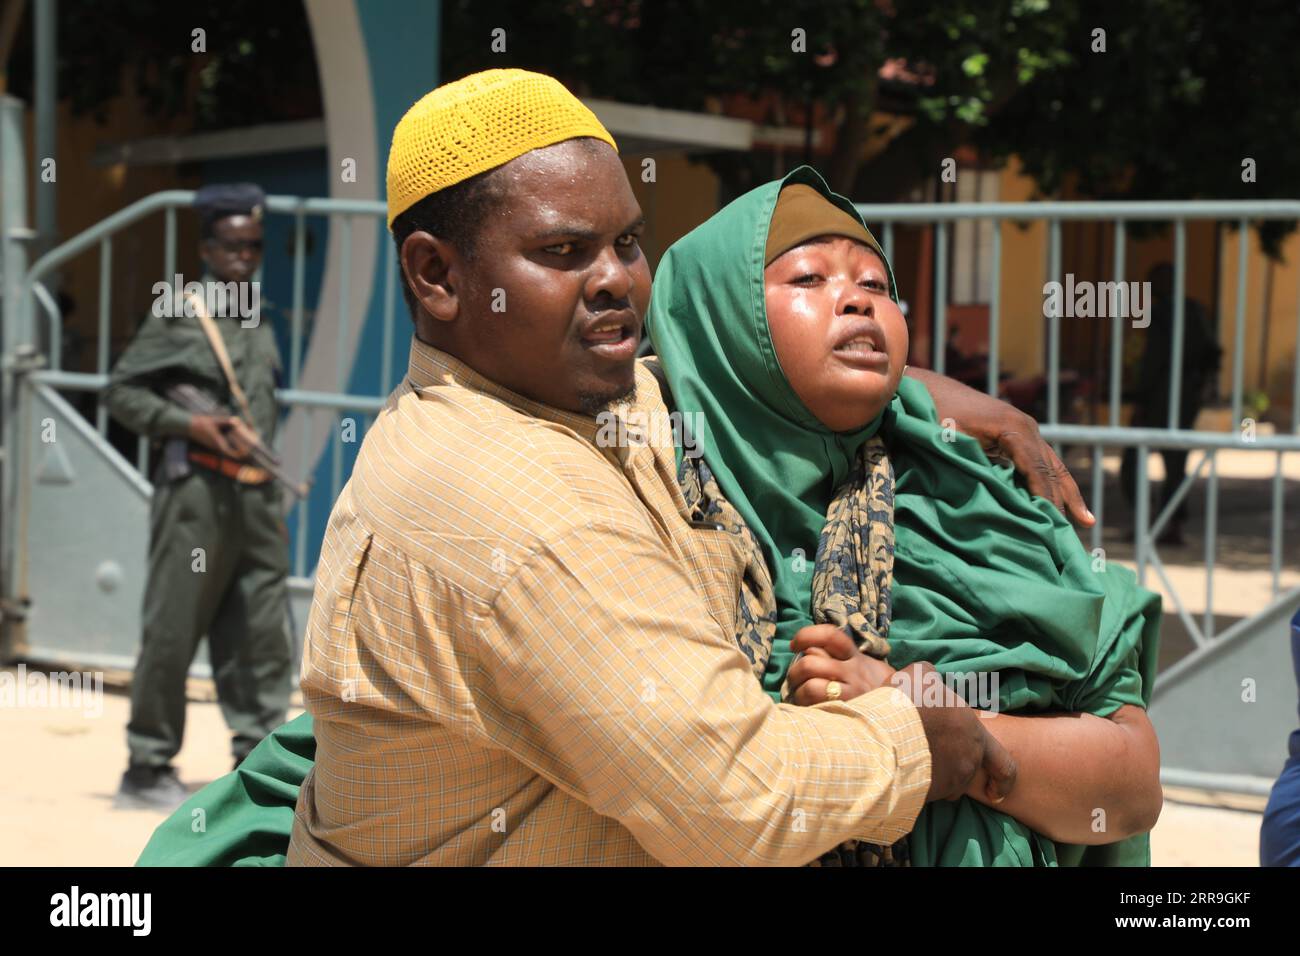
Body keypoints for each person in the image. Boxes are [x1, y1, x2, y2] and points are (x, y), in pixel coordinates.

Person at [136, 70, 1089, 867]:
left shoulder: (576, 395)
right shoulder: (516, 510)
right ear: (437, 276)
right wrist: (919, 742)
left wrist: (935, 395)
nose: (618, 279)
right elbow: (734, 795)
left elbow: (721, 374)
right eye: (562, 251)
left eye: (628, 242)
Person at [645, 169, 1164, 865]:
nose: (857, 298)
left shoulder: (984, 506)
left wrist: (939, 728)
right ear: (720, 323)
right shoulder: (650, 500)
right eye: (807, 279)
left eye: (878, 285)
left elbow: (1130, 784)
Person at [106, 183, 293, 810]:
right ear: (207, 246)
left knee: (261, 632)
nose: (244, 256)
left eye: (255, 246)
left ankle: (258, 764)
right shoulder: (180, 311)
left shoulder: (259, 313)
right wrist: (192, 425)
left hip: (256, 496)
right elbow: (123, 393)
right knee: (173, 627)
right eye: (232, 245)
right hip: (196, 495)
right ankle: (147, 763)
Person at [1120, 262, 1221, 545]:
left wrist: (1141, 397)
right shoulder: (1195, 310)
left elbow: (1154, 359)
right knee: (1175, 463)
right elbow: (1213, 353)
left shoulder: (1162, 313)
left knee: (1134, 461)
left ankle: (1151, 523)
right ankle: (1168, 525)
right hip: (1186, 395)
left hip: (1160, 396)